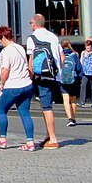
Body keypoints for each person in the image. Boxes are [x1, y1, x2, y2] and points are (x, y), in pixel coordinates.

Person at [0, 25, 37, 151]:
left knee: (1, 109)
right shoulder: (20, 48)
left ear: (2, 37)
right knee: (25, 113)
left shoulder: (6, 51)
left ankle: (2, 140)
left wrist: (1, 83)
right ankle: (30, 142)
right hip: (27, 84)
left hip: (13, 85)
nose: (0, 42)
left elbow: (5, 70)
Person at [25, 13, 63, 149]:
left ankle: (53, 138)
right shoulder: (53, 36)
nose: (30, 26)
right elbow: (61, 56)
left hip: (42, 76)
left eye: (30, 23)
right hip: (55, 74)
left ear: (35, 24)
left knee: (46, 107)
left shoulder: (32, 38)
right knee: (46, 105)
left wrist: (29, 77)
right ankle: (48, 135)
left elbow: (31, 60)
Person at [59, 39, 81, 127]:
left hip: (62, 79)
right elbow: (79, 68)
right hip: (73, 79)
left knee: (65, 99)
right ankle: (73, 118)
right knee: (73, 99)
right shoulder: (74, 55)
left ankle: (69, 118)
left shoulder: (59, 54)